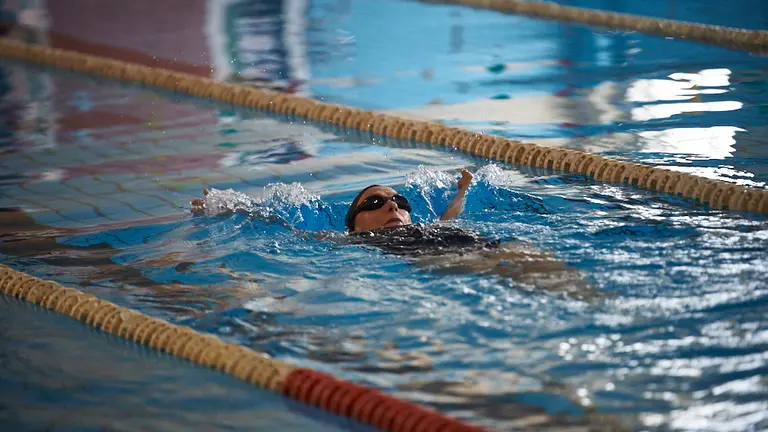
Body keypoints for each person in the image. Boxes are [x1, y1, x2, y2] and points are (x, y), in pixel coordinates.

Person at [192, 169, 595, 299]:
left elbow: (450, 216)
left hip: (491, 245)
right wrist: (231, 206)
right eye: (374, 203)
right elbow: (283, 229)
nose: (391, 206)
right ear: (353, 224)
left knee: (546, 267)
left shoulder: (428, 226)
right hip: (448, 263)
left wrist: (462, 190)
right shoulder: (347, 241)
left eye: (399, 201)